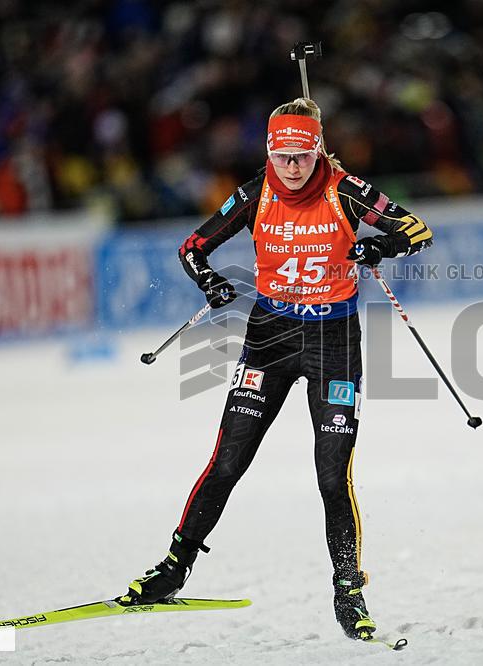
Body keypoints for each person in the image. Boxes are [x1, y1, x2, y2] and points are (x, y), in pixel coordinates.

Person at [119, 98, 433, 641]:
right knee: (227, 461)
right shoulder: (254, 191)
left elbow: (417, 229)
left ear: (318, 150)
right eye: (282, 155)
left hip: (334, 341)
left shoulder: (344, 188)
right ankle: (173, 567)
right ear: (269, 152)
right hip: (269, 339)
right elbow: (192, 248)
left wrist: (383, 242)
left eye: (302, 155)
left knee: (333, 475)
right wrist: (212, 283)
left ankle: (348, 590)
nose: (292, 167)